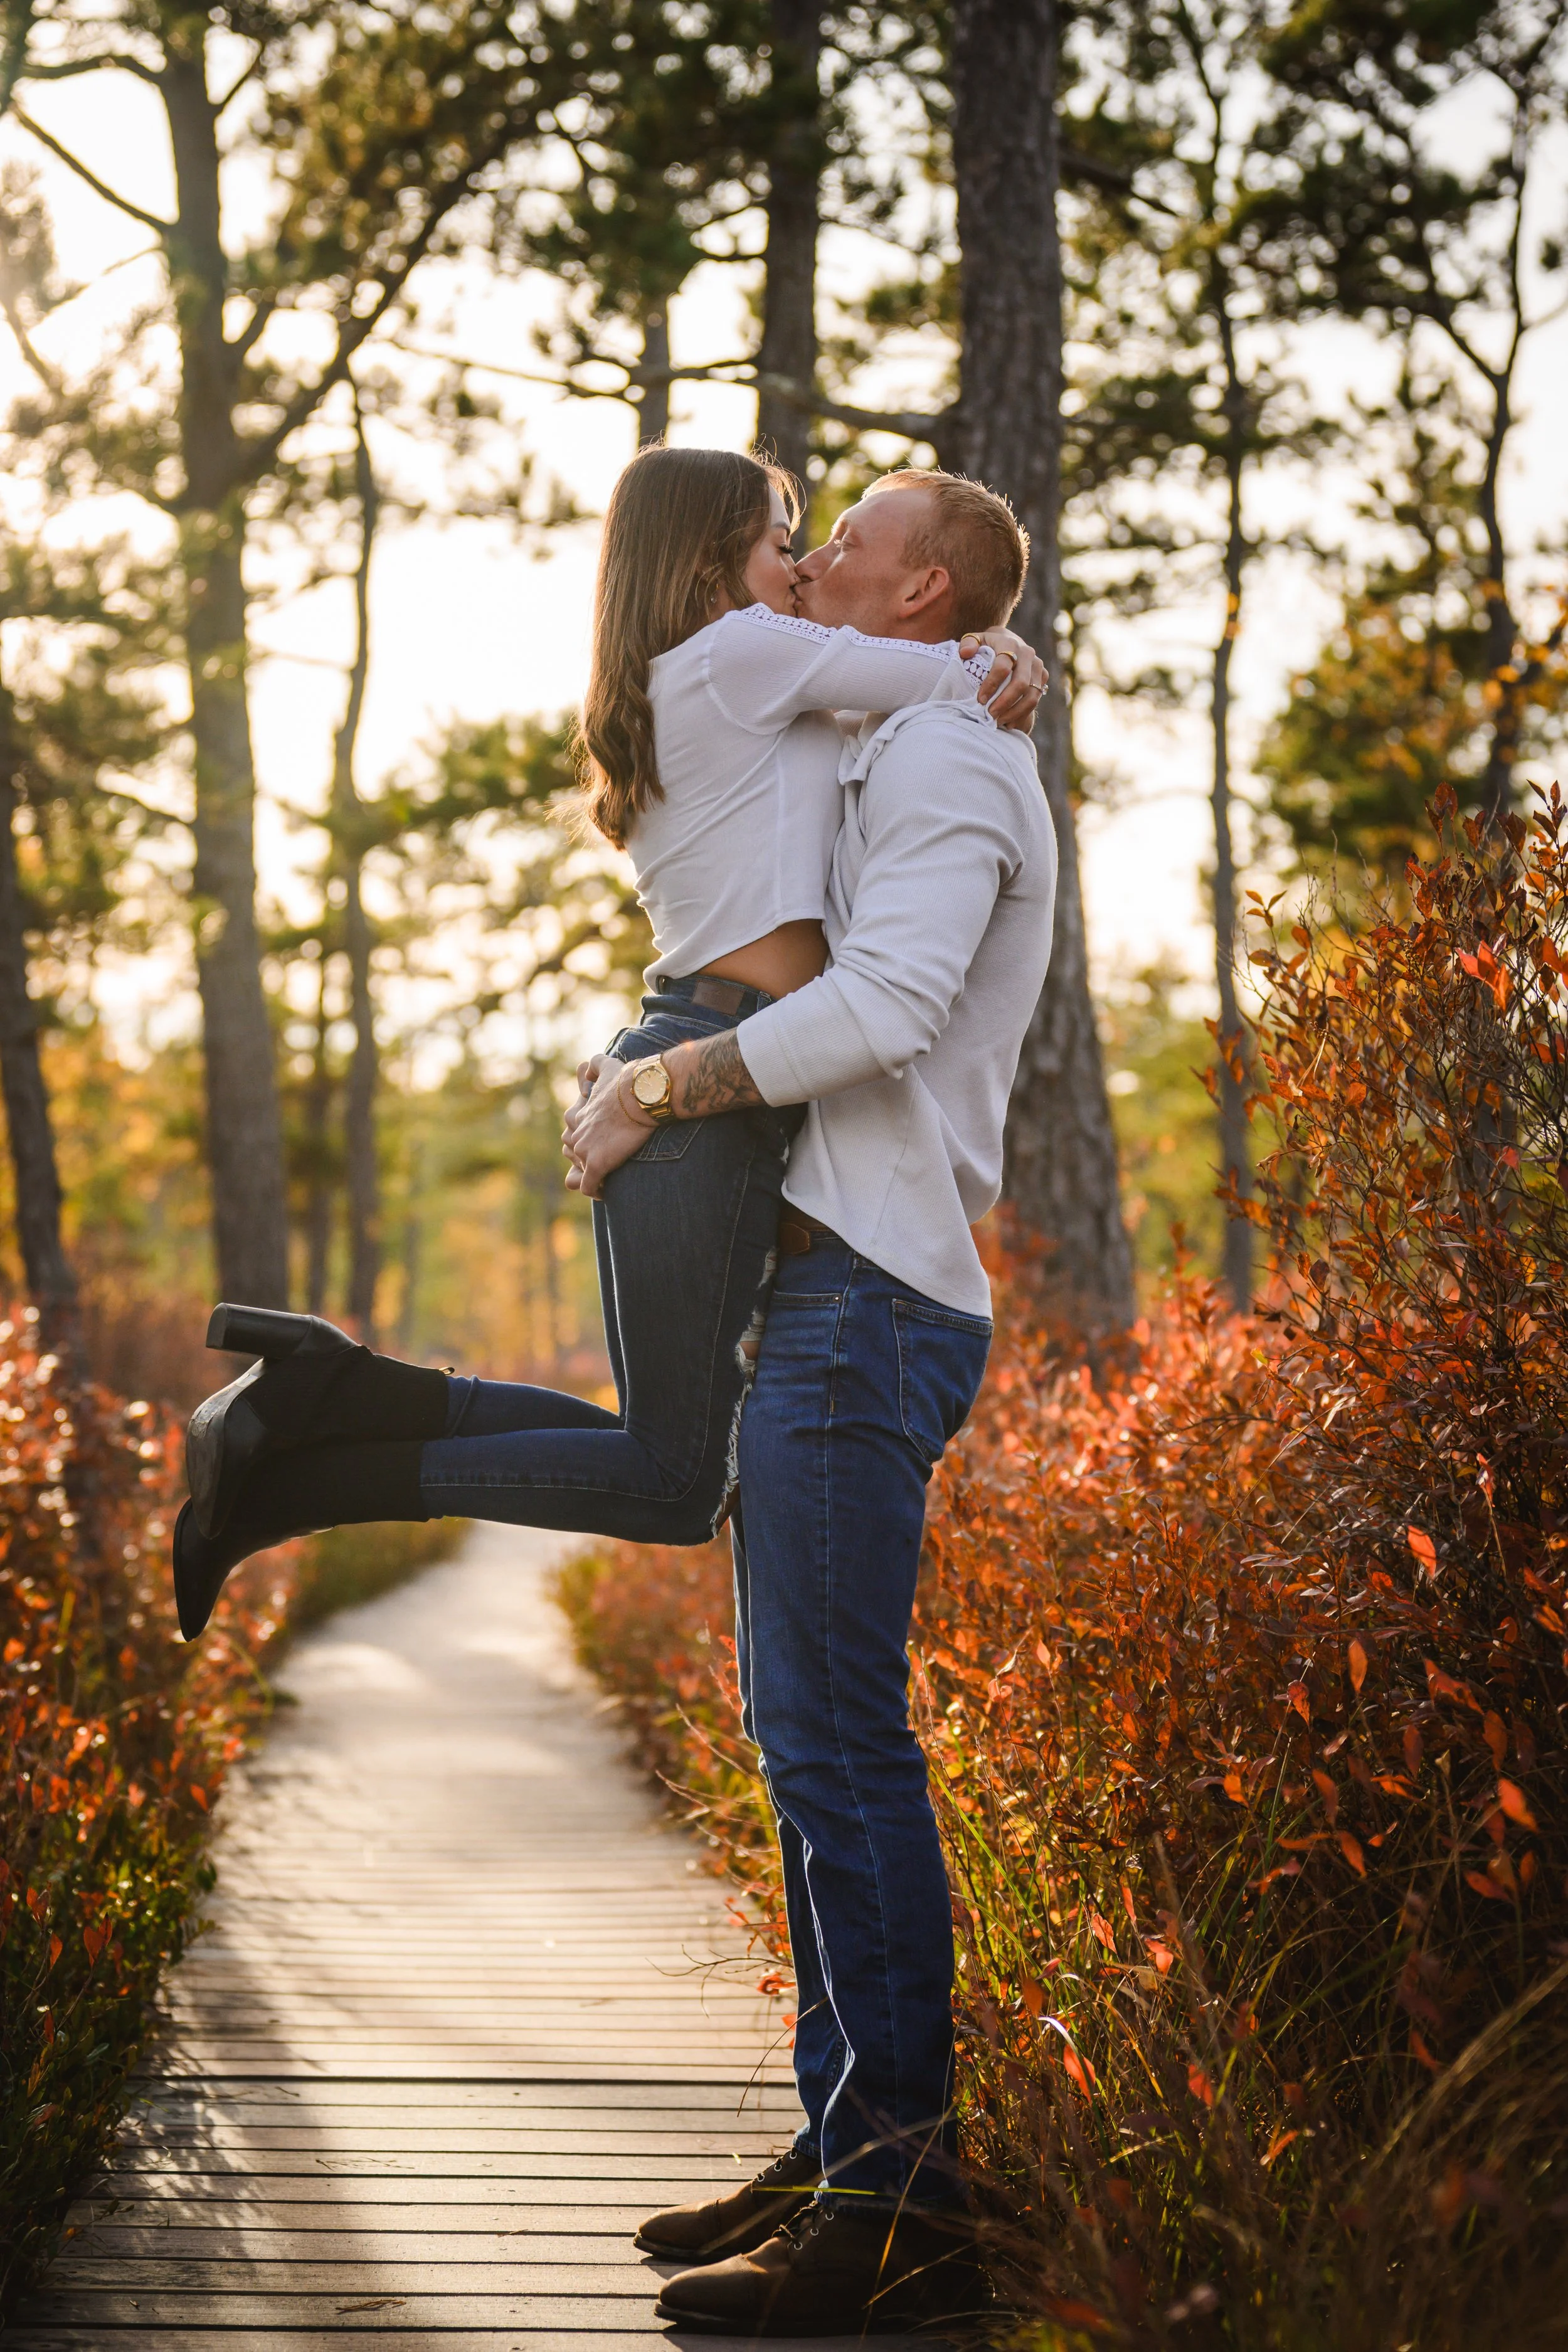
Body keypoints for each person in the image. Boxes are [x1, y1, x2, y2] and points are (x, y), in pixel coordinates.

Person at [172, 446, 1044, 1641]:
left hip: (713, 1057)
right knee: (678, 1477)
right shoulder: (743, 656)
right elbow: (941, 677)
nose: (800, 566)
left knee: (670, 1454)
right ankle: (310, 1465)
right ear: (707, 561)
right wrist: (992, 656)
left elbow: (911, 697)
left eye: (816, 541)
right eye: (780, 542)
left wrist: (996, 644)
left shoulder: (749, 682)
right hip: (708, 1068)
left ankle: (335, 1398)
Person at [563, 468, 1057, 2338]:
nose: (813, 557)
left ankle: (903, 2200)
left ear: (918, 586)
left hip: (872, 1300)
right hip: (823, 1291)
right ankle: (840, 2135)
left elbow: (891, 1006)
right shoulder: (894, 722)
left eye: (845, 539)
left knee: (839, 1746)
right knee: (801, 1740)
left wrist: (660, 1095)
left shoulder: (939, 766)